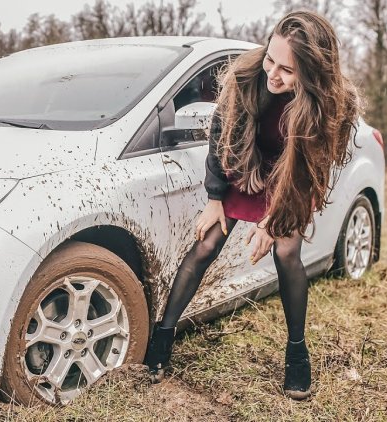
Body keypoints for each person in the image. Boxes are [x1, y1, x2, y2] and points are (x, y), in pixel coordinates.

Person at [144, 10, 361, 400]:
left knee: (287, 253)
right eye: (270, 60)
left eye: (288, 71)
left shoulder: (330, 107)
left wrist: (272, 223)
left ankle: (297, 353)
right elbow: (219, 135)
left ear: (311, 75)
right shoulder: (246, 77)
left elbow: (308, 172)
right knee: (207, 243)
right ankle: (162, 336)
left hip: (292, 178)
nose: (273, 74)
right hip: (248, 165)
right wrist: (214, 198)